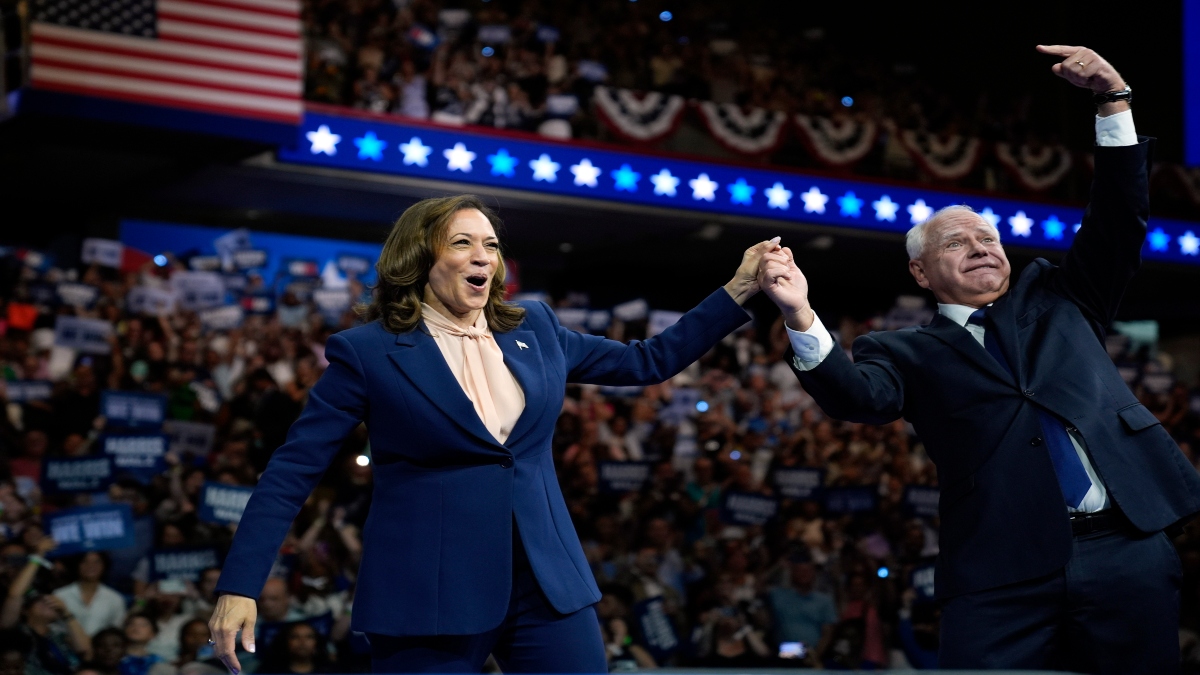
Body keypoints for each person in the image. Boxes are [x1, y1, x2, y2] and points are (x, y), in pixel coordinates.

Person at [757, 45, 1200, 672]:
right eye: (956, 242)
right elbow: (858, 398)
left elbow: (1120, 218)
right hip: (1000, 569)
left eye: (988, 238)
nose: (980, 247)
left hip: (1126, 549)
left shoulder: (1062, 297)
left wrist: (1113, 99)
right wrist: (801, 313)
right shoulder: (900, 349)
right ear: (920, 271)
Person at [209, 194, 776, 673]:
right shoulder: (368, 352)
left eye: (491, 246)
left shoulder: (536, 326)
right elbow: (291, 471)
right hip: (430, 594)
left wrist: (738, 289)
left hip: (547, 583)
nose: (482, 257)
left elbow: (648, 361)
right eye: (462, 243)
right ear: (419, 256)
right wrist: (241, 584)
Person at [53, 552, 127, 637]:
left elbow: (117, 630)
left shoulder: (115, 599)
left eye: (97, 562)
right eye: (85, 561)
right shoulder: (60, 595)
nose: (91, 566)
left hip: (101, 649)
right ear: (77, 565)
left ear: (104, 566)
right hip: (63, 647)